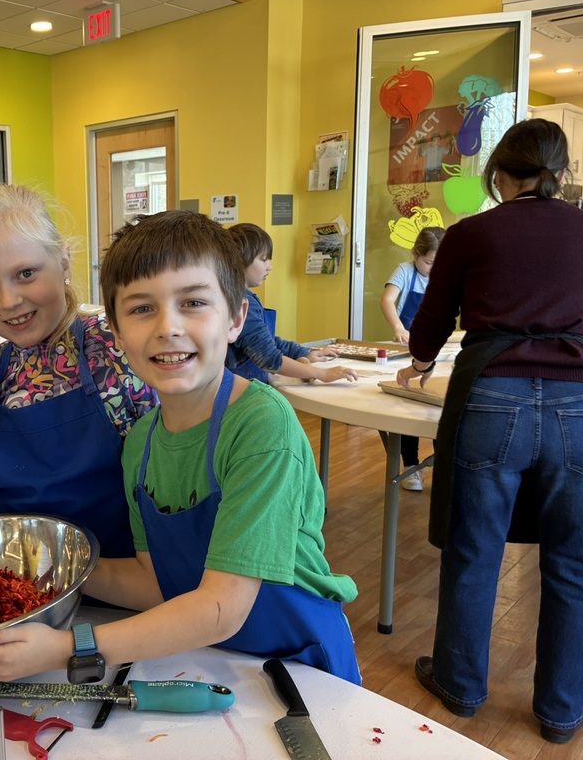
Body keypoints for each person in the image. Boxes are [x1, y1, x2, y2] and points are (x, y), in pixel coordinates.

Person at [0, 210, 360, 686]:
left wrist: (69, 647)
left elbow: (221, 606)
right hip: (207, 654)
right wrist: (41, 564)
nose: (168, 327)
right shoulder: (143, 442)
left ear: (236, 318)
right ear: (118, 333)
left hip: (296, 664)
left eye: (192, 302)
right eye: (142, 308)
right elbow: (155, 583)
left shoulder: (261, 425)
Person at [396, 118, 583, 744]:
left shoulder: (472, 232)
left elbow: (432, 319)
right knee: (573, 562)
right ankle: (560, 712)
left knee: (475, 550)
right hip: (577, 403)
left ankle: (460, 684)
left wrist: (419, 365)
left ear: (501, 171)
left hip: (491, 397)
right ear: (558, 175)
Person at [0, 183, 157, 561]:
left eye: (26, 273)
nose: (9, 300)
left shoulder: (118, 348)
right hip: (27, 585)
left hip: (132, 578)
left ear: (64, 263)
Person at [224, 223, 356, 384]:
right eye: (264, 260)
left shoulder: (244, 297)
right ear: (239, 261)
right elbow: (268, 357)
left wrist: (304, 353)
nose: (269, 267)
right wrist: (321, 373)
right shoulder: (242, 302)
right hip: (240, 393)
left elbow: (269, 341)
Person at [380, 225, 444, 491]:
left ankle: (445, 470)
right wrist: (397, 327)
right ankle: (411, 467)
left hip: (436, 349)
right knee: (409, 407)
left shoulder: (445, 275)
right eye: (429, 262)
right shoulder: (404, 271)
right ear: (416, 254)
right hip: (408, 347)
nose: (433, 268)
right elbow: (387, 300)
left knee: (438, 408)